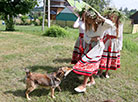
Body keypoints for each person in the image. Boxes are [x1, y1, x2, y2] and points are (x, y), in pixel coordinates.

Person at [73, 8, 115, 92]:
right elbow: (85, 37)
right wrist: (92, 39)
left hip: (98, 47)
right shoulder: (87, 26)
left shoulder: (102, 25)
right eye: (86, 20)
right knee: (89, 64)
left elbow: (111, 25)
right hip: (89, 46)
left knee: (89, 64)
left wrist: (101, 17)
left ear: (94, 19)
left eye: (89, 20)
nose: (88, 22)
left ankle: (83, 85)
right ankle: (92, 80)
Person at [98, 8, 124, 78]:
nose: (113, 18)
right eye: (112, 16)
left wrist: (119, 46)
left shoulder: (120, 25)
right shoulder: (107, 23)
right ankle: (100, 71)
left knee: (111, 57)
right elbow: (103, 33)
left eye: (115, 17)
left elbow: (120, 36)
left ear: (118, 17)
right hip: (106, 42)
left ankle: (106, 72)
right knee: (104, 56)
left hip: (114, 43)